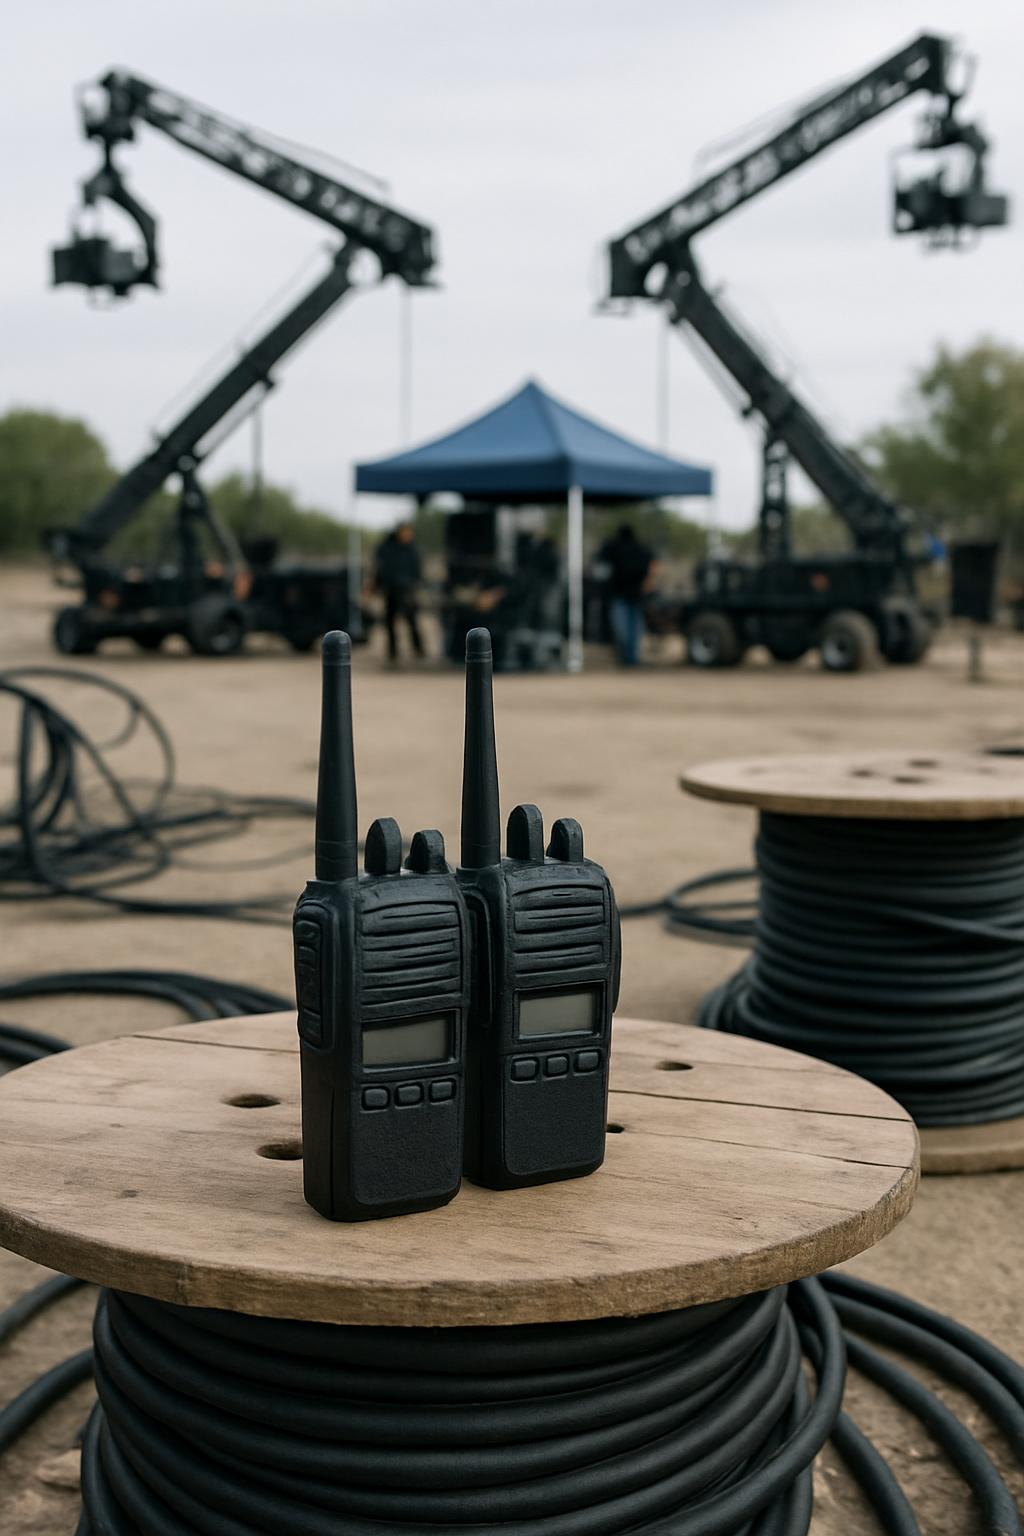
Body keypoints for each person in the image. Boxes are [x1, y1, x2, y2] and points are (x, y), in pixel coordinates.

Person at [597, 524, 655, 666]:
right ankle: (630, 658)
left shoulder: (613, 547)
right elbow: (653, 566)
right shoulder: (640, 548)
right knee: (633, 630)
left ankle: (628, 658)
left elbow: (600, 566)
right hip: (633, 595)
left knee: (624, 629)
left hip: (622, 595)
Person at [375, 522, 425, 663]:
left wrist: (415, 585)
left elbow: (417, 570)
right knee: (390, 622)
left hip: (407, 591)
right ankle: (392, 652)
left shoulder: (413, 549)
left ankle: (418, 649)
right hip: (391, 591)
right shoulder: (387, 548)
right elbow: (380, 569)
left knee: (412, 620)